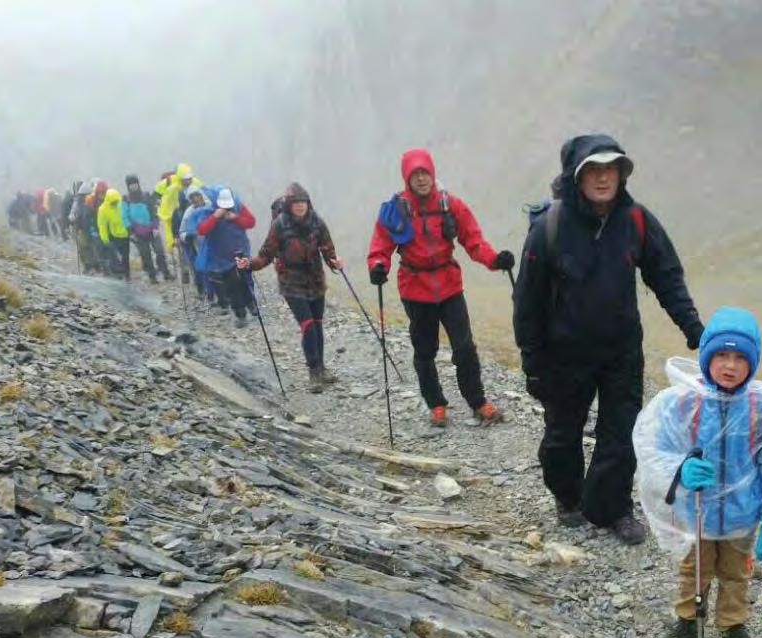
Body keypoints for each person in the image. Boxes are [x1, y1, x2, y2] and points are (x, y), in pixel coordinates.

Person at [513, 134, 704, 542]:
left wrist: (694, 329)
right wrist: (533, 364)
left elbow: (666, 277)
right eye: (593, 170)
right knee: (562, 436)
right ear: (577, 176)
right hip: (565, 354)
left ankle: (611, 508)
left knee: (621, 433)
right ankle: (567, 498)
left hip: (621, 352)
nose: (603, 178)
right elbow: (526, 302)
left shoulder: (636, 221)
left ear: (622, 173)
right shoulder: (550, 227)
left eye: (611, 169)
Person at [633, 306, 762, 638]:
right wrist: (681, 470)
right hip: (696, 512)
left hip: (742, 514)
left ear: (753, 361)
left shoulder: (761, 404)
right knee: (695, 571)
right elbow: (652, 450)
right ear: (706, 356)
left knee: (737, 573)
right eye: (721, 354)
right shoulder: (683, 400)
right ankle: (688, 623)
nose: (730, 365)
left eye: (740, 357)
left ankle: (733, 628)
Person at [367, 148, 514, 427]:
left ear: (433, 174)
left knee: (465, 347)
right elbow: (380, 245)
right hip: (415, 289)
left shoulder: (450, 204)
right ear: (406, 179)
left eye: (425, 173)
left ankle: (477, 401)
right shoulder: (396, 209)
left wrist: (495, 260)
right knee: (425, 350)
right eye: (415, 175)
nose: (421, 179)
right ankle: (436, 405)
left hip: (449, 286)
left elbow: (474, 241)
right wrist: (378, 266)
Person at [236, 182, 343, 393]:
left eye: (303, 201)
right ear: (289, 205)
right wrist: (249, 264)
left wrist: (335, 262)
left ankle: (321, 368)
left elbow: (328, 249)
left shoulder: (317, 222)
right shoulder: (279, 225)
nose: (300, 206)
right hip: (291, 283)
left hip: (315, 281)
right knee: (308, 326)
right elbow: (266, 255)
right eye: (296, 202)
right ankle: (314, 372)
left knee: (318, 326)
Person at [195, 187, 256, 328]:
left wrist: (236, 218)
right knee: (232, 285)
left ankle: (251, 303)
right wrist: (215, 217)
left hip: (240, 251)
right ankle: (241, 314)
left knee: (245, 280)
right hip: (221, 257)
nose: (226, 208)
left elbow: (251, 222)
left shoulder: (239, 208)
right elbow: (202, 230)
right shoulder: (210, 212)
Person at [122, 174, 171, 284]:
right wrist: (131, 232)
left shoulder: (146, 195)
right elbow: (124, 217)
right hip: (137, 232)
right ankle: (152, 276)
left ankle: (165, 272)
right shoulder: (126, 199)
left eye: (135, 184)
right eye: (131, 185)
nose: (133, 187)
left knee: (159, 251)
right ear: (128, 186)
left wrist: (155, 226)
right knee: (146, 255)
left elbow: (154, 211)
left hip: (151, 229)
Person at [97, 189, 131, 279]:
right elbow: (102, 225)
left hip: (126, 234)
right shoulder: (103, 209)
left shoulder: (122, 204)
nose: (115, 203)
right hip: (115, 236)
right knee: (115, 256)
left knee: (125, 256)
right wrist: (105, 239)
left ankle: (127, 275)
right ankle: (118, 273)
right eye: (113, 202)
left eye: (116, 201)